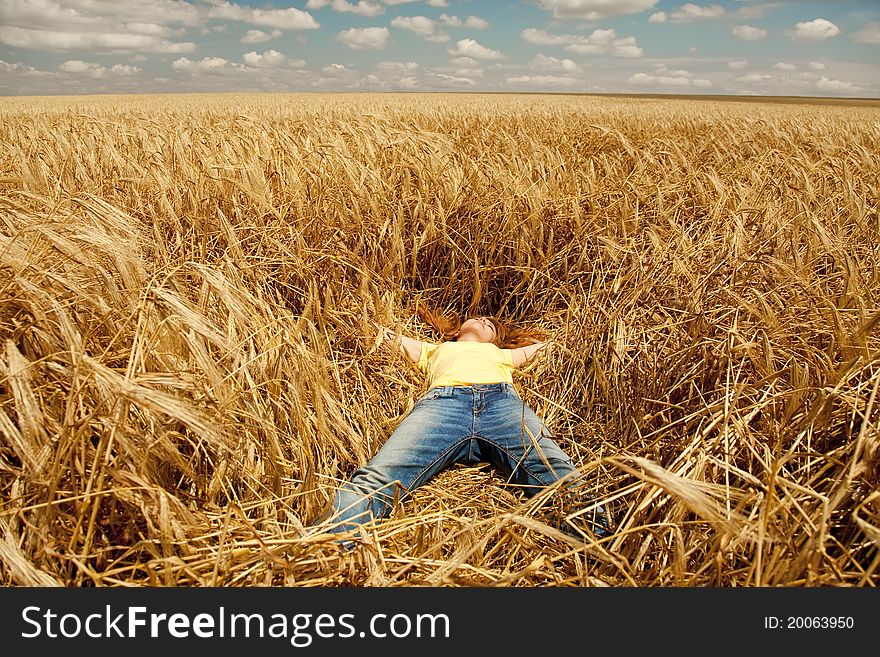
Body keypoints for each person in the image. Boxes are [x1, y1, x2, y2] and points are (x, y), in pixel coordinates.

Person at [309, 305, 610, 545]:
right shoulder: (434, 349)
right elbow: (379, 333)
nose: (482, 321)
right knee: (380, 477)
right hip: (443, 405)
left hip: (502, 405)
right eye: (477, 317)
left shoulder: (500, 354)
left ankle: (607, 550)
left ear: (496, 339)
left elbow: (551, 345)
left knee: (558, 473)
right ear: (456, 331)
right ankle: (320, 548)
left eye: (490, 325)